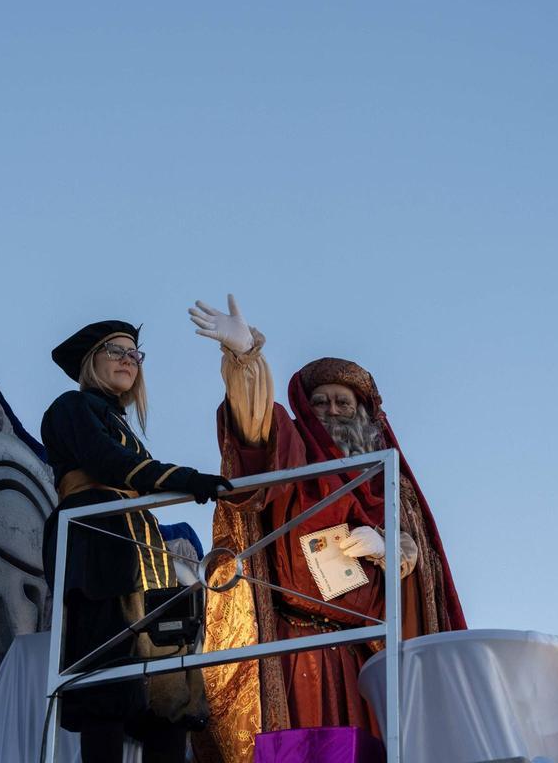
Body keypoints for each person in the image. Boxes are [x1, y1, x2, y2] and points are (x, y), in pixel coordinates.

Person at [187, 296, 466, 763]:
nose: (332, 411)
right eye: (321, 402)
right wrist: (245, 362)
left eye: (344, 402)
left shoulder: (391, 484)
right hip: (296, 650)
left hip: (364, 657)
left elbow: (426, 578)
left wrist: (395, 548)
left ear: (363, 413)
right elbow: (255, 433)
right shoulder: (295, 450)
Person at [40, 319, 229, 763]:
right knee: (107, 682)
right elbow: (107, 463)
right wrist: (187, 479)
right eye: (116, 351)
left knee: (169, 692)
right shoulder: (71, 407)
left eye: (135, 354)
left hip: (142, 552)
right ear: (92, 361)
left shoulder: (122, 425)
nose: (129, 360)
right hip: (98, 549)